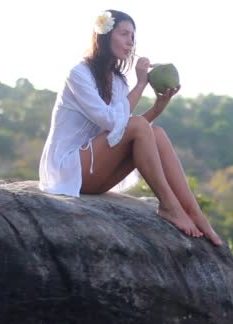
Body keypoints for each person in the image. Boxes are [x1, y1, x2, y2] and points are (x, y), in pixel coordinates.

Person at [38, 10, 222, 246]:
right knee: (139, 125)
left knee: (157, 132)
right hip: (67, 170)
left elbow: (127, 130)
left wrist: (158, 106)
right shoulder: (79, 73)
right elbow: (111, 121)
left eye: (133, 37)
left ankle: (194, 212)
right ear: (104, 35)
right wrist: (141, 83)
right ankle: (169, 204)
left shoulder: (117, 81)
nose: (130, 42)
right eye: (124, 34)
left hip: (96, 171)